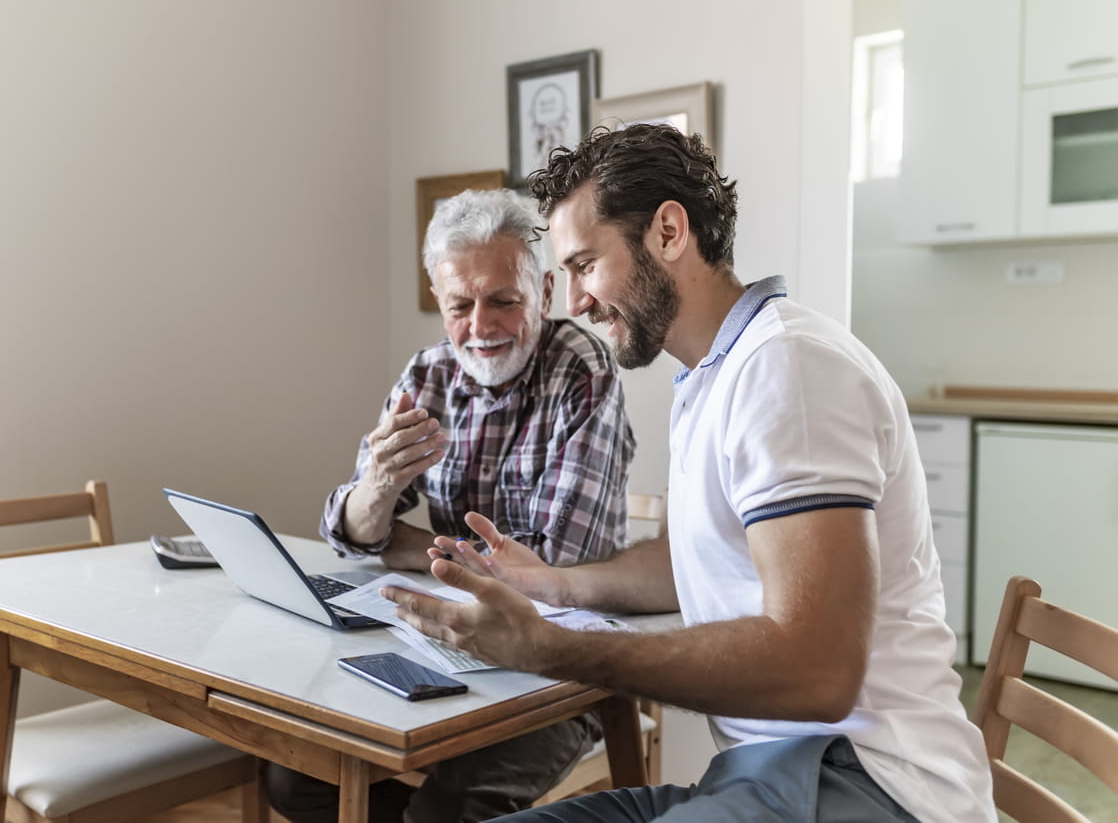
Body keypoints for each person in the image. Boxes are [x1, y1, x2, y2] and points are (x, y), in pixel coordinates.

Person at [382, 124, 997, 823]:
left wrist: (552, 647)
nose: (575, 301)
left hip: (869, 782)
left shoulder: (787, 369)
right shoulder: (715, 376)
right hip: (762, 775)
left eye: (585, 265)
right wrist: (549, 583)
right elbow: (689, 564)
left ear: (669, 231)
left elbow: (819, 672)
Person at [268, 187, 637, 823]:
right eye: (459, 305)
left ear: (544, 293)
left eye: (503, 301)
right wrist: (377, 491)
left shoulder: (583, 371)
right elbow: (350, 532)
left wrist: (409, 543)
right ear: (438, 301)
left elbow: (548, 572)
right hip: (436, 638)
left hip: (558, 668)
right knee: (294, 774)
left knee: (451, 806)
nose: (481, 327)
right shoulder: (428, 375)